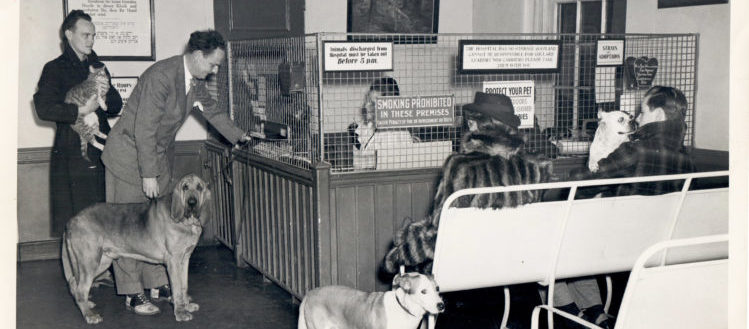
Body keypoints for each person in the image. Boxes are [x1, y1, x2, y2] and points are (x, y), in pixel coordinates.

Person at [101, 30, 251, 315]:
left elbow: (212, 111)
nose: (215, 70)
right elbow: (144, 129)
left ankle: (157, 283)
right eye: (213, 64)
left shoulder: (193, 81)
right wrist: (148, 175)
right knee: (128, 227)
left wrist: (239, 136)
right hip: (128, 157)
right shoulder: (162, 76)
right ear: (196, 56)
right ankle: (131, 291)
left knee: (158, 226)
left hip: (155, 157)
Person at [551, 86, 695, 329]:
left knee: (557, 244)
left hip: (619, 244)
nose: (636, 119)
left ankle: (569, 316)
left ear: (658, 115)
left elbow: (582, 183)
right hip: (661, 246)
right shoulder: (686, 159)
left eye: (642, 112)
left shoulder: (635, 150)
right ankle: (595, 313)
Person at [33, 10, 123, 237]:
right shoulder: (54, 68)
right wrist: (80, 110)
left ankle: (102, 270)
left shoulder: (98, 65)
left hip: (102, 151)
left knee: (104, 216)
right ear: (68, 34)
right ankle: (77, 273)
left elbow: (115, 105)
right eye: (85, 35)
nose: (91, 40)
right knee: (77, 220)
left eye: (93, 35)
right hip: (72, 151)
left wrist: (106, 95)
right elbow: (43, 108)